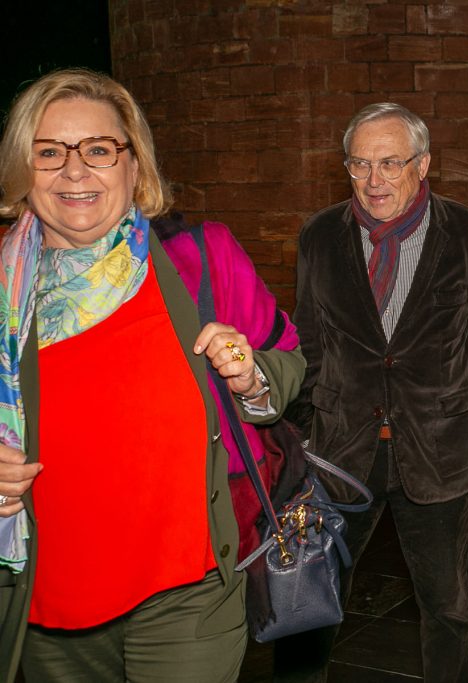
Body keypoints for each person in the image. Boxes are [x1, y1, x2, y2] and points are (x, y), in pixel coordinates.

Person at [0, 68, 305, 682]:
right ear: (21, 170)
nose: (75, 170)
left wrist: (252, 381)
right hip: (46, 597)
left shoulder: (201, 256)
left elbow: (288, 361)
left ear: (134, 166)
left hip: (189, 587)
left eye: (99, 149)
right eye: (50, 152)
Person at [284, 102, 468, 683]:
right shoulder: (320, 236)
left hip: (440, 447)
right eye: (359, 165)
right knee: (313, 602)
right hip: (339, 449)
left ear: (423, 163)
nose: (373, 180)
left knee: (447, 608)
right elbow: (308, 339)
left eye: (389, 163)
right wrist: (307, 430)